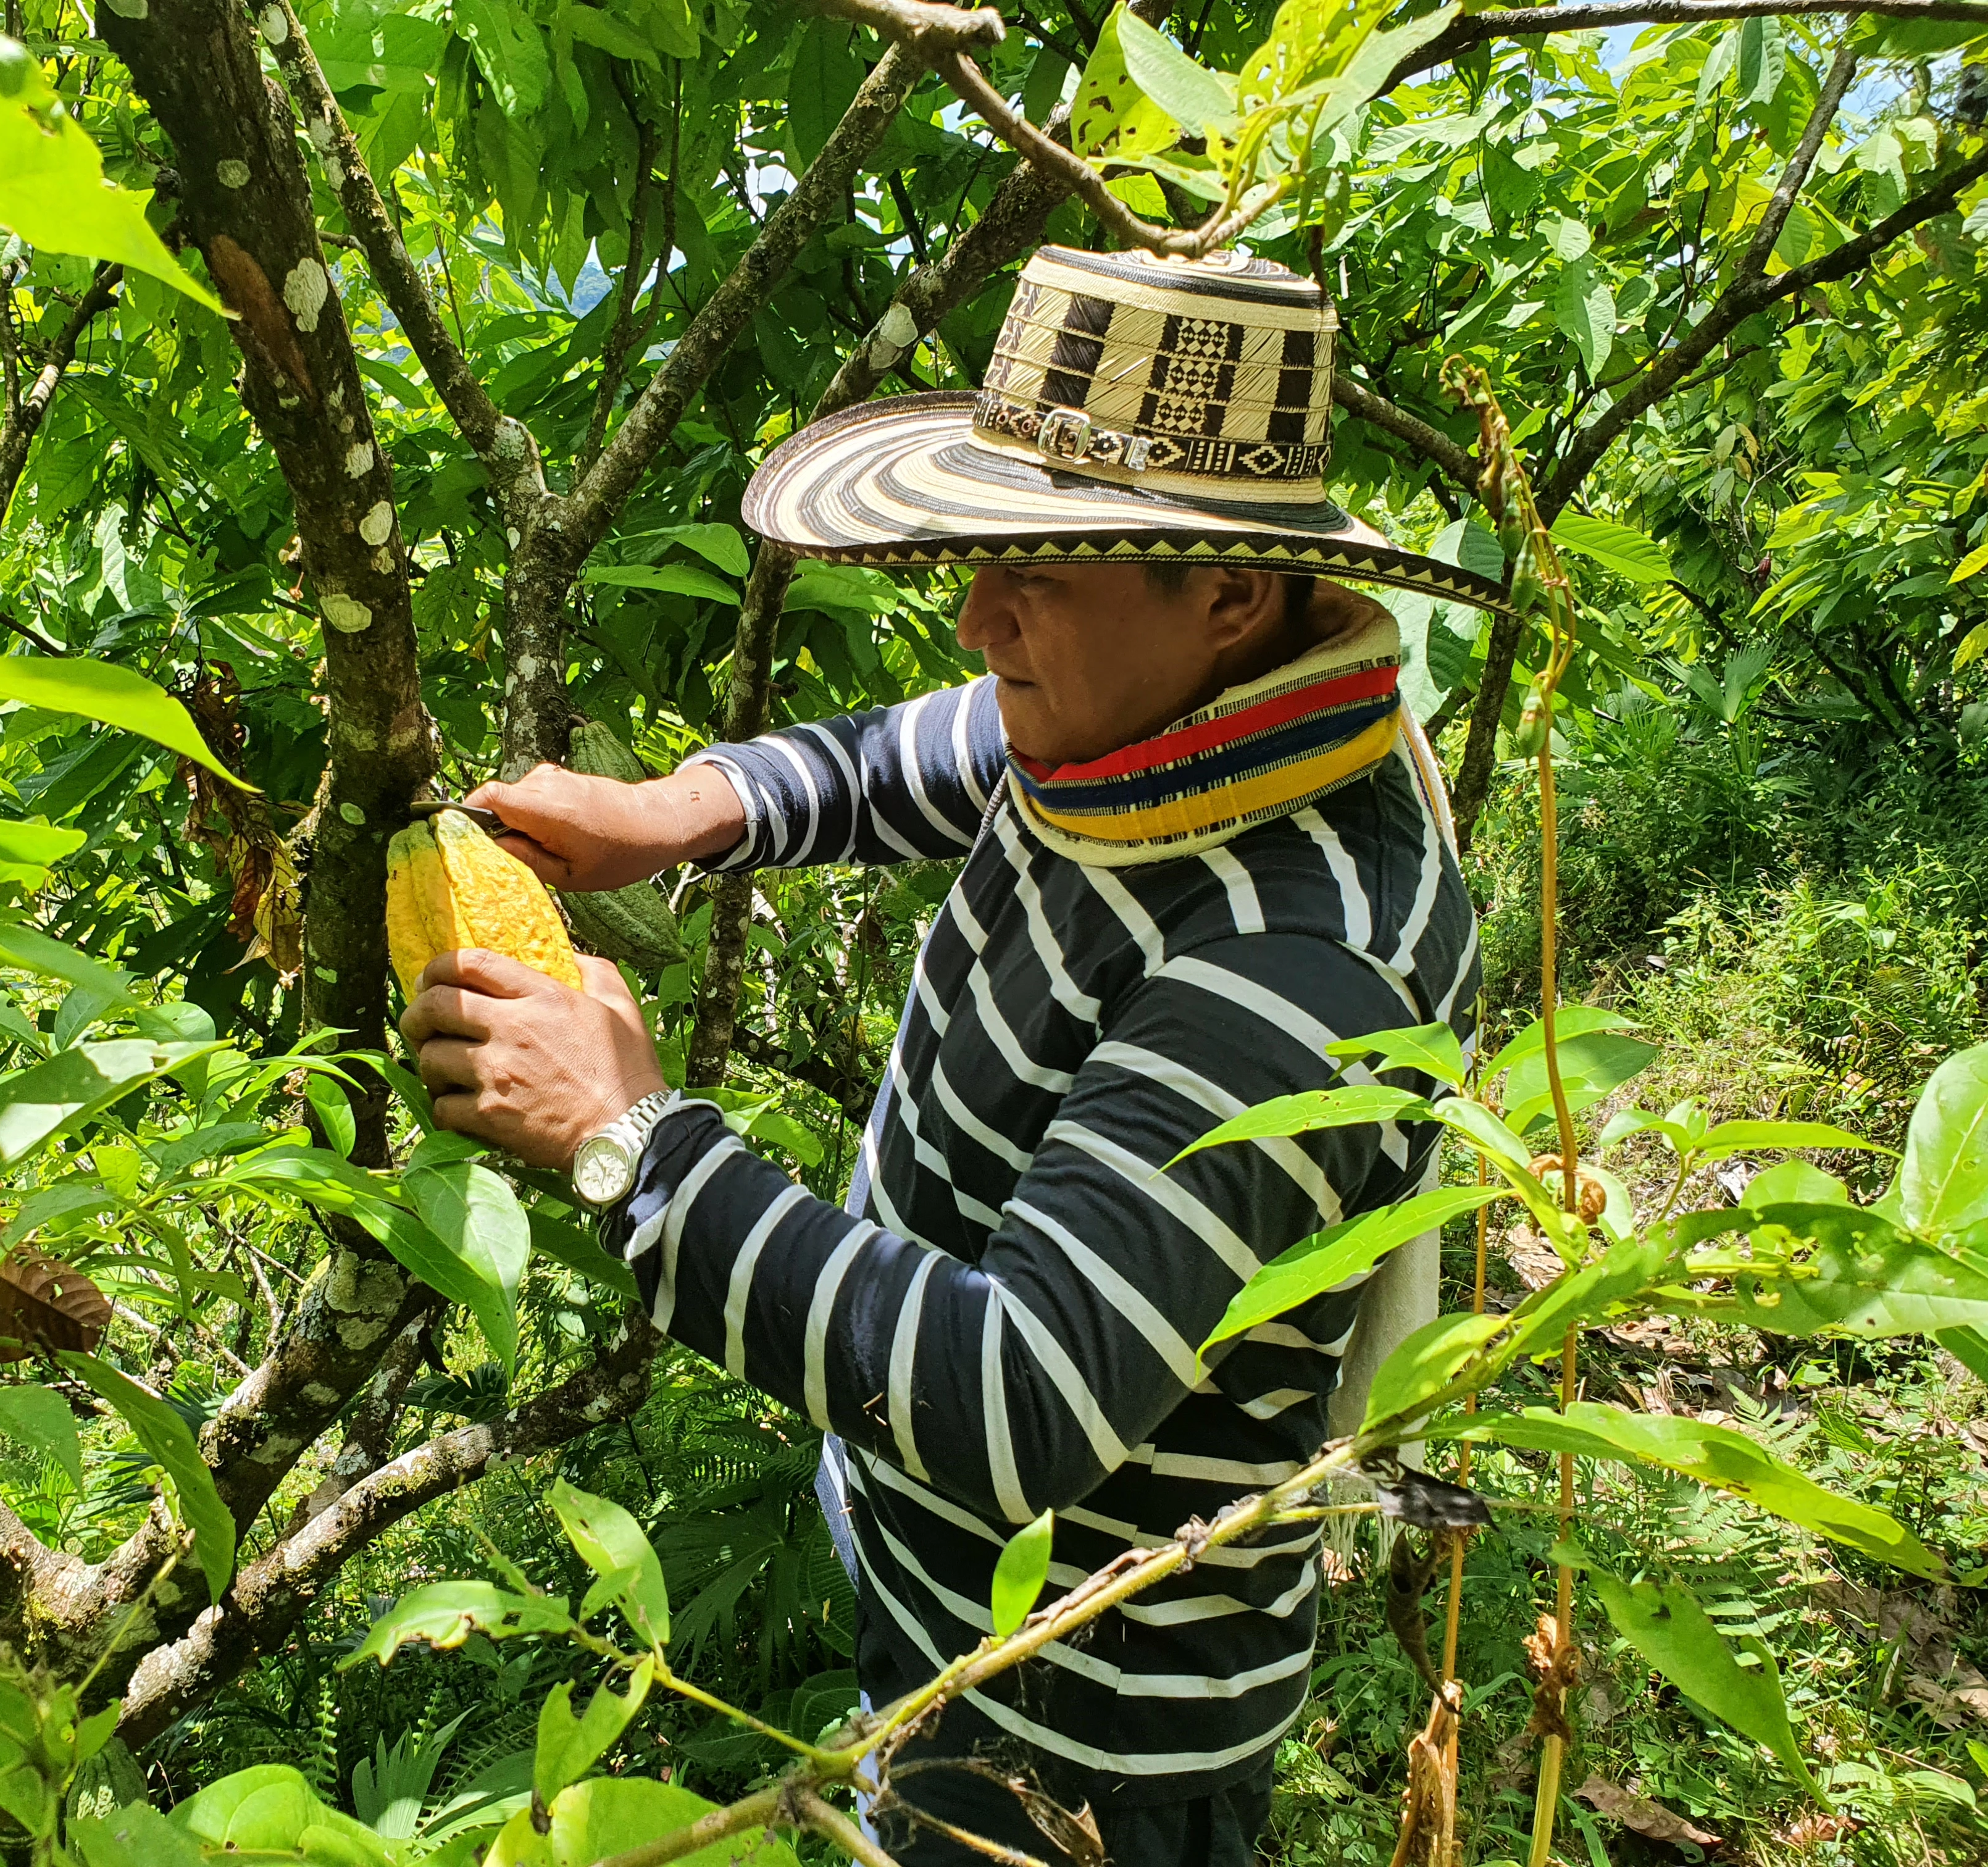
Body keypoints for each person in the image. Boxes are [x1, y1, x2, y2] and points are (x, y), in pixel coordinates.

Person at [396, 245, 1510, 1864]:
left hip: (1078, 1730)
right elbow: (925, 751)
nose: (980, 618)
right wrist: (676, 812)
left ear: (1227, 594)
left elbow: (1022, 1402)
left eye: (1039, 570)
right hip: (939, 1595)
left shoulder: (1294, 956)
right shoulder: (1154, 713)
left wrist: (627, 1139)